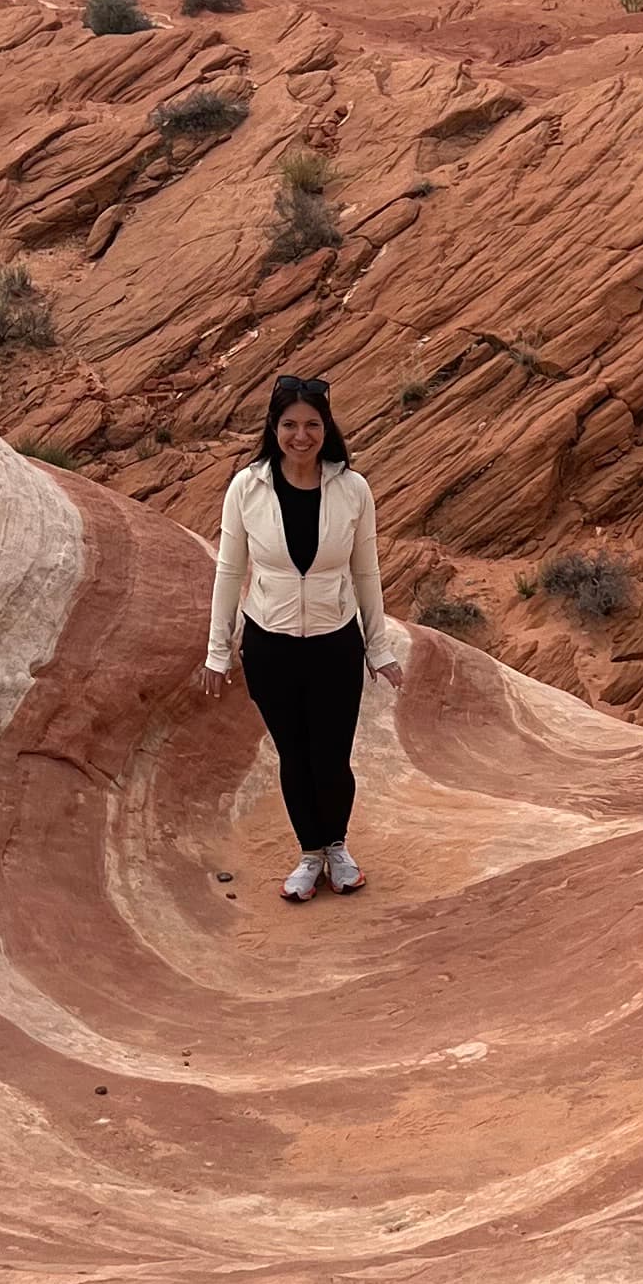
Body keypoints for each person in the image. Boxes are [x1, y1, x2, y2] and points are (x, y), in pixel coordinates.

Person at [200, 373, 403, 901]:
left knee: (331, 757)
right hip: (271, 645)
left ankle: (337, 847)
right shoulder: (247, 486)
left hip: (335, 645)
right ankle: (310, 853)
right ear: (274, 427)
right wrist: (217, 653)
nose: (301, 435)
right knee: (294, 755)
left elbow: (366, 573)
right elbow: (228, 571)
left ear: (326, 428)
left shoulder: (352, 489)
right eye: (290, 424)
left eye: (312, 424)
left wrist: (379, 648)